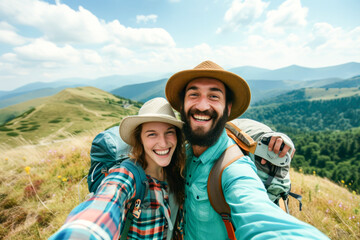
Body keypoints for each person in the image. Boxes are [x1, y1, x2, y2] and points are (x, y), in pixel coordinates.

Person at [165, 60, 329, 239]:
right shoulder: (182, 152)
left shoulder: (235, 170)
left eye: (214, 96)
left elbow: (260, 217)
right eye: (193, 94)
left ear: (227, 109)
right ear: (182, 105)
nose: (202, 106)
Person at [49, 97, 185, 240]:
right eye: (152, 134)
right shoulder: (127, 176)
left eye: (169, 132)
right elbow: (106, 202)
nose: (163, 143)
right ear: (140, 139)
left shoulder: (178, 171)